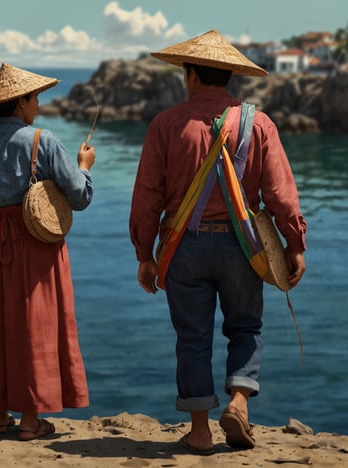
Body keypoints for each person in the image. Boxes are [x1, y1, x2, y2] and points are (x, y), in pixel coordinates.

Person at [129, 30, 307, 454]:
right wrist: (295, 243)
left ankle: (200, 431)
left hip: (183, 247)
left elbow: (147, 196)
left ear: (189, 75)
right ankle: (239, 402)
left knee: (192, 337)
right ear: (229, 77)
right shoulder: (257, 122)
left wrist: (144, 254)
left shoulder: (166, 125)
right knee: (245, 326)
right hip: (243, 248)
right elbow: (280, 193)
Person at [0, 63, 95, 441]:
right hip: (34, 246)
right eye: (34, 99)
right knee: (34, 324)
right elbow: (79, 197)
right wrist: (85, 167)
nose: (38, 106)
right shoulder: (43, 141)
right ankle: (31, 420)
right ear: (19, 102)